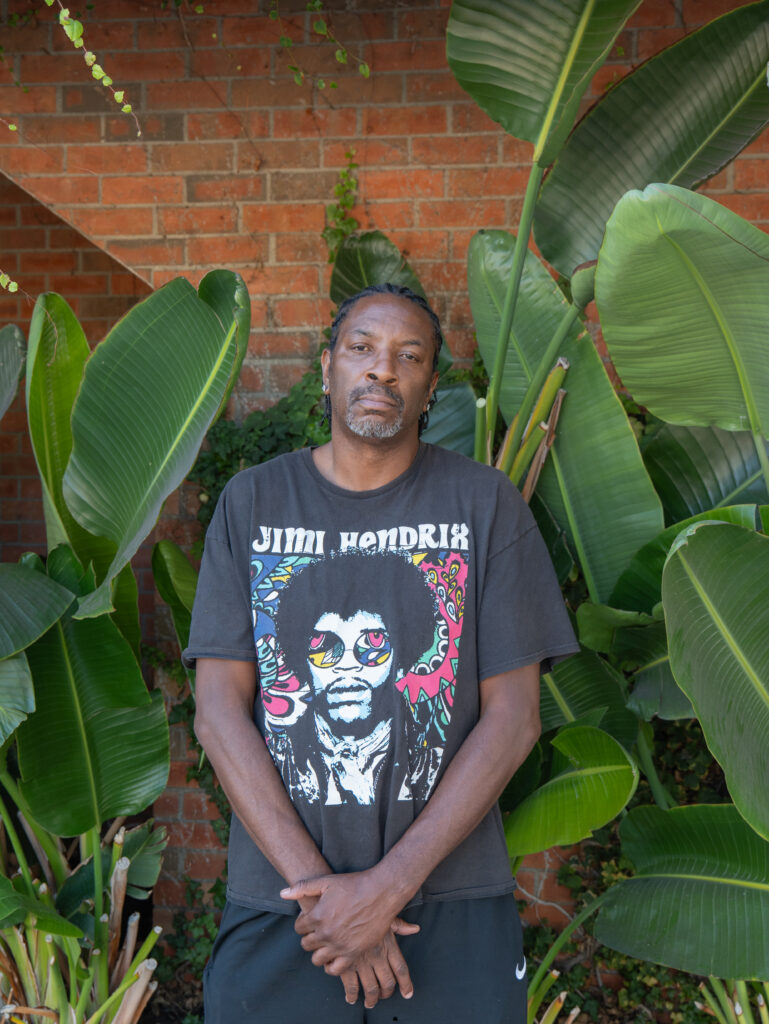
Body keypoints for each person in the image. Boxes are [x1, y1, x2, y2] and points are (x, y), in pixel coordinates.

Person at [183, 283, 579, 1024]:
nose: (381, 370)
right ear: (328, 367)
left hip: (449, 901)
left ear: (430, 387)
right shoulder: (252, 503)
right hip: (284, 905)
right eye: (361, 349)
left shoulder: (484, 505)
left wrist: (384, 890)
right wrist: (326, 899)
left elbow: (514, 719)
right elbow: (216, 714)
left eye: (408, 356)